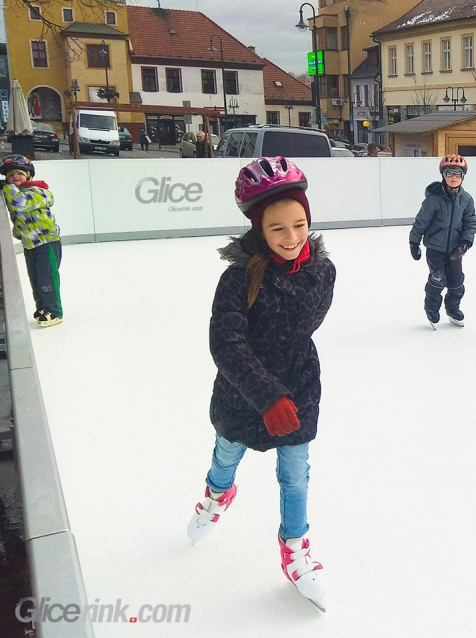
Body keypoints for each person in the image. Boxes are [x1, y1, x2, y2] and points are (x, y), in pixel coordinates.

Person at [185, 156, 335, 612]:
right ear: (257, 230)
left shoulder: (323, 272)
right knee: (227, 453)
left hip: (299, 389)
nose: (292, 238)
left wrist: (286, 391)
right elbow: (226, 343)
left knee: (295, 476)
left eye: (299, 224)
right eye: (277, 229)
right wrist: (266, 394)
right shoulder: (237, 280)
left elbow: (306, 328)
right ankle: (217, 493)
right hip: (243, 393)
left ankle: (295, 550)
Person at [0, 155, 63, 326]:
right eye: (10, 175)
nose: (14, 177)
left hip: (46, 243)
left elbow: (20, 203)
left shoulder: (39, 191)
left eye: (19, 173)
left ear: (29, 175)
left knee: (47, 279)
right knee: (35, 279)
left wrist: (5, 186)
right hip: (29, 245)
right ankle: (42, 308)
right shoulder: (13, 191)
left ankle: (54, 312)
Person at [409, 154, 476, 329]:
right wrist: (414, 242)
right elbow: (421, 221)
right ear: (443, 176)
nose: (453, 178)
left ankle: (453, 308)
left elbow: (470, 223)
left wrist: (465, 243)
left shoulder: (466, 199)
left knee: (456, 281)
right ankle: (431, 307)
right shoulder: (433, 199)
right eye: (449, 174)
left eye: (457, 174)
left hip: (455, 248)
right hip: (435, 248)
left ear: (463, 176)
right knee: (438, 278)